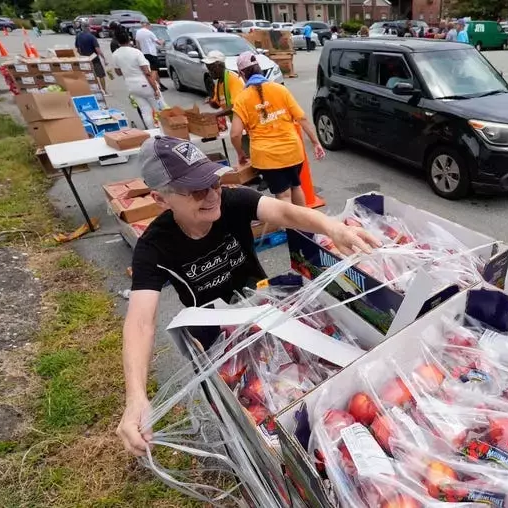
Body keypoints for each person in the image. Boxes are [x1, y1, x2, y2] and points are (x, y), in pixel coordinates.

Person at [116, 136, 380, 456]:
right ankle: (245, 450)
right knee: (246, 408)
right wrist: (136, 397)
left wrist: (333, 228)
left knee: (295, 386)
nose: (212, 195)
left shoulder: (231, 201)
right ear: (160, 199)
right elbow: (141, 322)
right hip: (216, 339)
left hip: (267, 313)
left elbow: (283, 211)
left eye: (213, 183)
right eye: (196, 190)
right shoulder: (153, 247)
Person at [231, 52, 325, 206]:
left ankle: (293, 229)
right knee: (296, 187)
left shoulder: (242, 98)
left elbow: (235, 134)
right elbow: (302, 118)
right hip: (293, 152)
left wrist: (241, 154)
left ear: (241, 74)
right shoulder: (280, 90)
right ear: (259, 69)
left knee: (283, 196)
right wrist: (316, 143)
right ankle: (305, 227)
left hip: (267, 158)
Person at [111, 29, 163, 129]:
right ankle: (163, 129)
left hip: (131, 85)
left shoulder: (115, 54)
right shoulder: (136, 52)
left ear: (118, 41)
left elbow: (118, 72)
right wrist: (155, 88)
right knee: (158, 108)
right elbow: (147, 72)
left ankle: (152, 132)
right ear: (129, 39)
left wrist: (127, 69)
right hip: (144, 82)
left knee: (145, 111)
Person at [204, 50, 244, 117]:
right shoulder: (219, 83)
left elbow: (236, 106)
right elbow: (217, 105)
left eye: (211, 68)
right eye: (208, 69)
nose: (209, 72)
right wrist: (210, 101)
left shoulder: (233, 79)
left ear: (219, 66)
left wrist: (214, 115)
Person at [75, 25, 109, 96]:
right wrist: (104, 58)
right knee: (101, 75)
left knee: (87, 75)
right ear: (88, 28)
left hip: (84, 58)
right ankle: (104, 91)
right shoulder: (92, 37)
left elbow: (77, 48)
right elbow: (97, 49)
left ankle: (90, 91)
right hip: (94, 58)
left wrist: (81, 54)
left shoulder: (78, 36)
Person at [135, 21, 167, 91]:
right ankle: (153, 85)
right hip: (152, 54)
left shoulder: (138, 32)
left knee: (151, 70)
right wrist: (163, 41)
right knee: (154, 70)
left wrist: (140, 52)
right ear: (148, 25)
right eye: (150, 26)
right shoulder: (149, 33)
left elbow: (137, 44)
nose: (150, 28)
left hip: (144, 54)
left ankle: (159, 84)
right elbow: (159, 43)